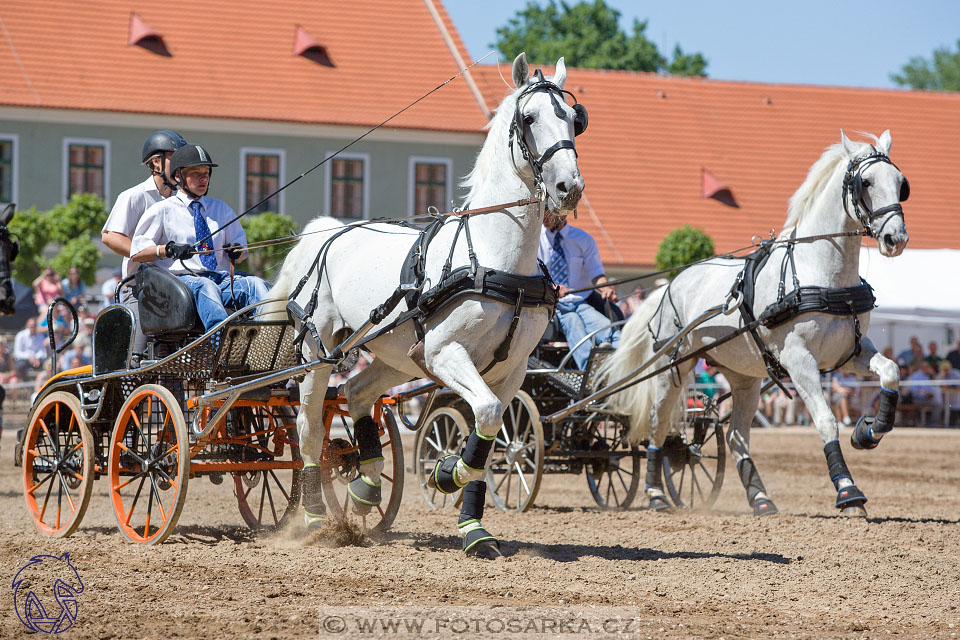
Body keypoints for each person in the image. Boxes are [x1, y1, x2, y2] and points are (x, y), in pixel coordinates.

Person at [130, 144, 267, 331]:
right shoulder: (162, 210)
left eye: (206, 173)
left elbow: (243, 251)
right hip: (178, 283)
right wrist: (168, 249)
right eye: (195, 173)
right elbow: (137, 253)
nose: (203, 178)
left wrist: (237, 251)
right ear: (178, 176)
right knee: (205, 286)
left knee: (256, 285)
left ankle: (270, 338)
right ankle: (220, 341)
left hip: (220, 280)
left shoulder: (222, 209)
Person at [102, 130, 188, 352]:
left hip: (176, 291)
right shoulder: (135, 196)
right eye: (175, 159)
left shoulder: (183, 199)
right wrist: (149, 252)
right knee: (137, 357)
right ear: (156, 163)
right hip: (140, 291)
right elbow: (109, 236)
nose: (181, 165)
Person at [538, 210, 620, 370]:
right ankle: (591, 368)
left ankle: (625, 360)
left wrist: (606, 288)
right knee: (573, 323)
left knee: (606, 327)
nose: (544, 217)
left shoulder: (584, 240)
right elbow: (534, 273)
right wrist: (553, 287)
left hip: (579, 302)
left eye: (549, 213)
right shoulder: (535, 240)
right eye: (543, 212)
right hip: (552, 305)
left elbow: (597, 274)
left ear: (562, 214)